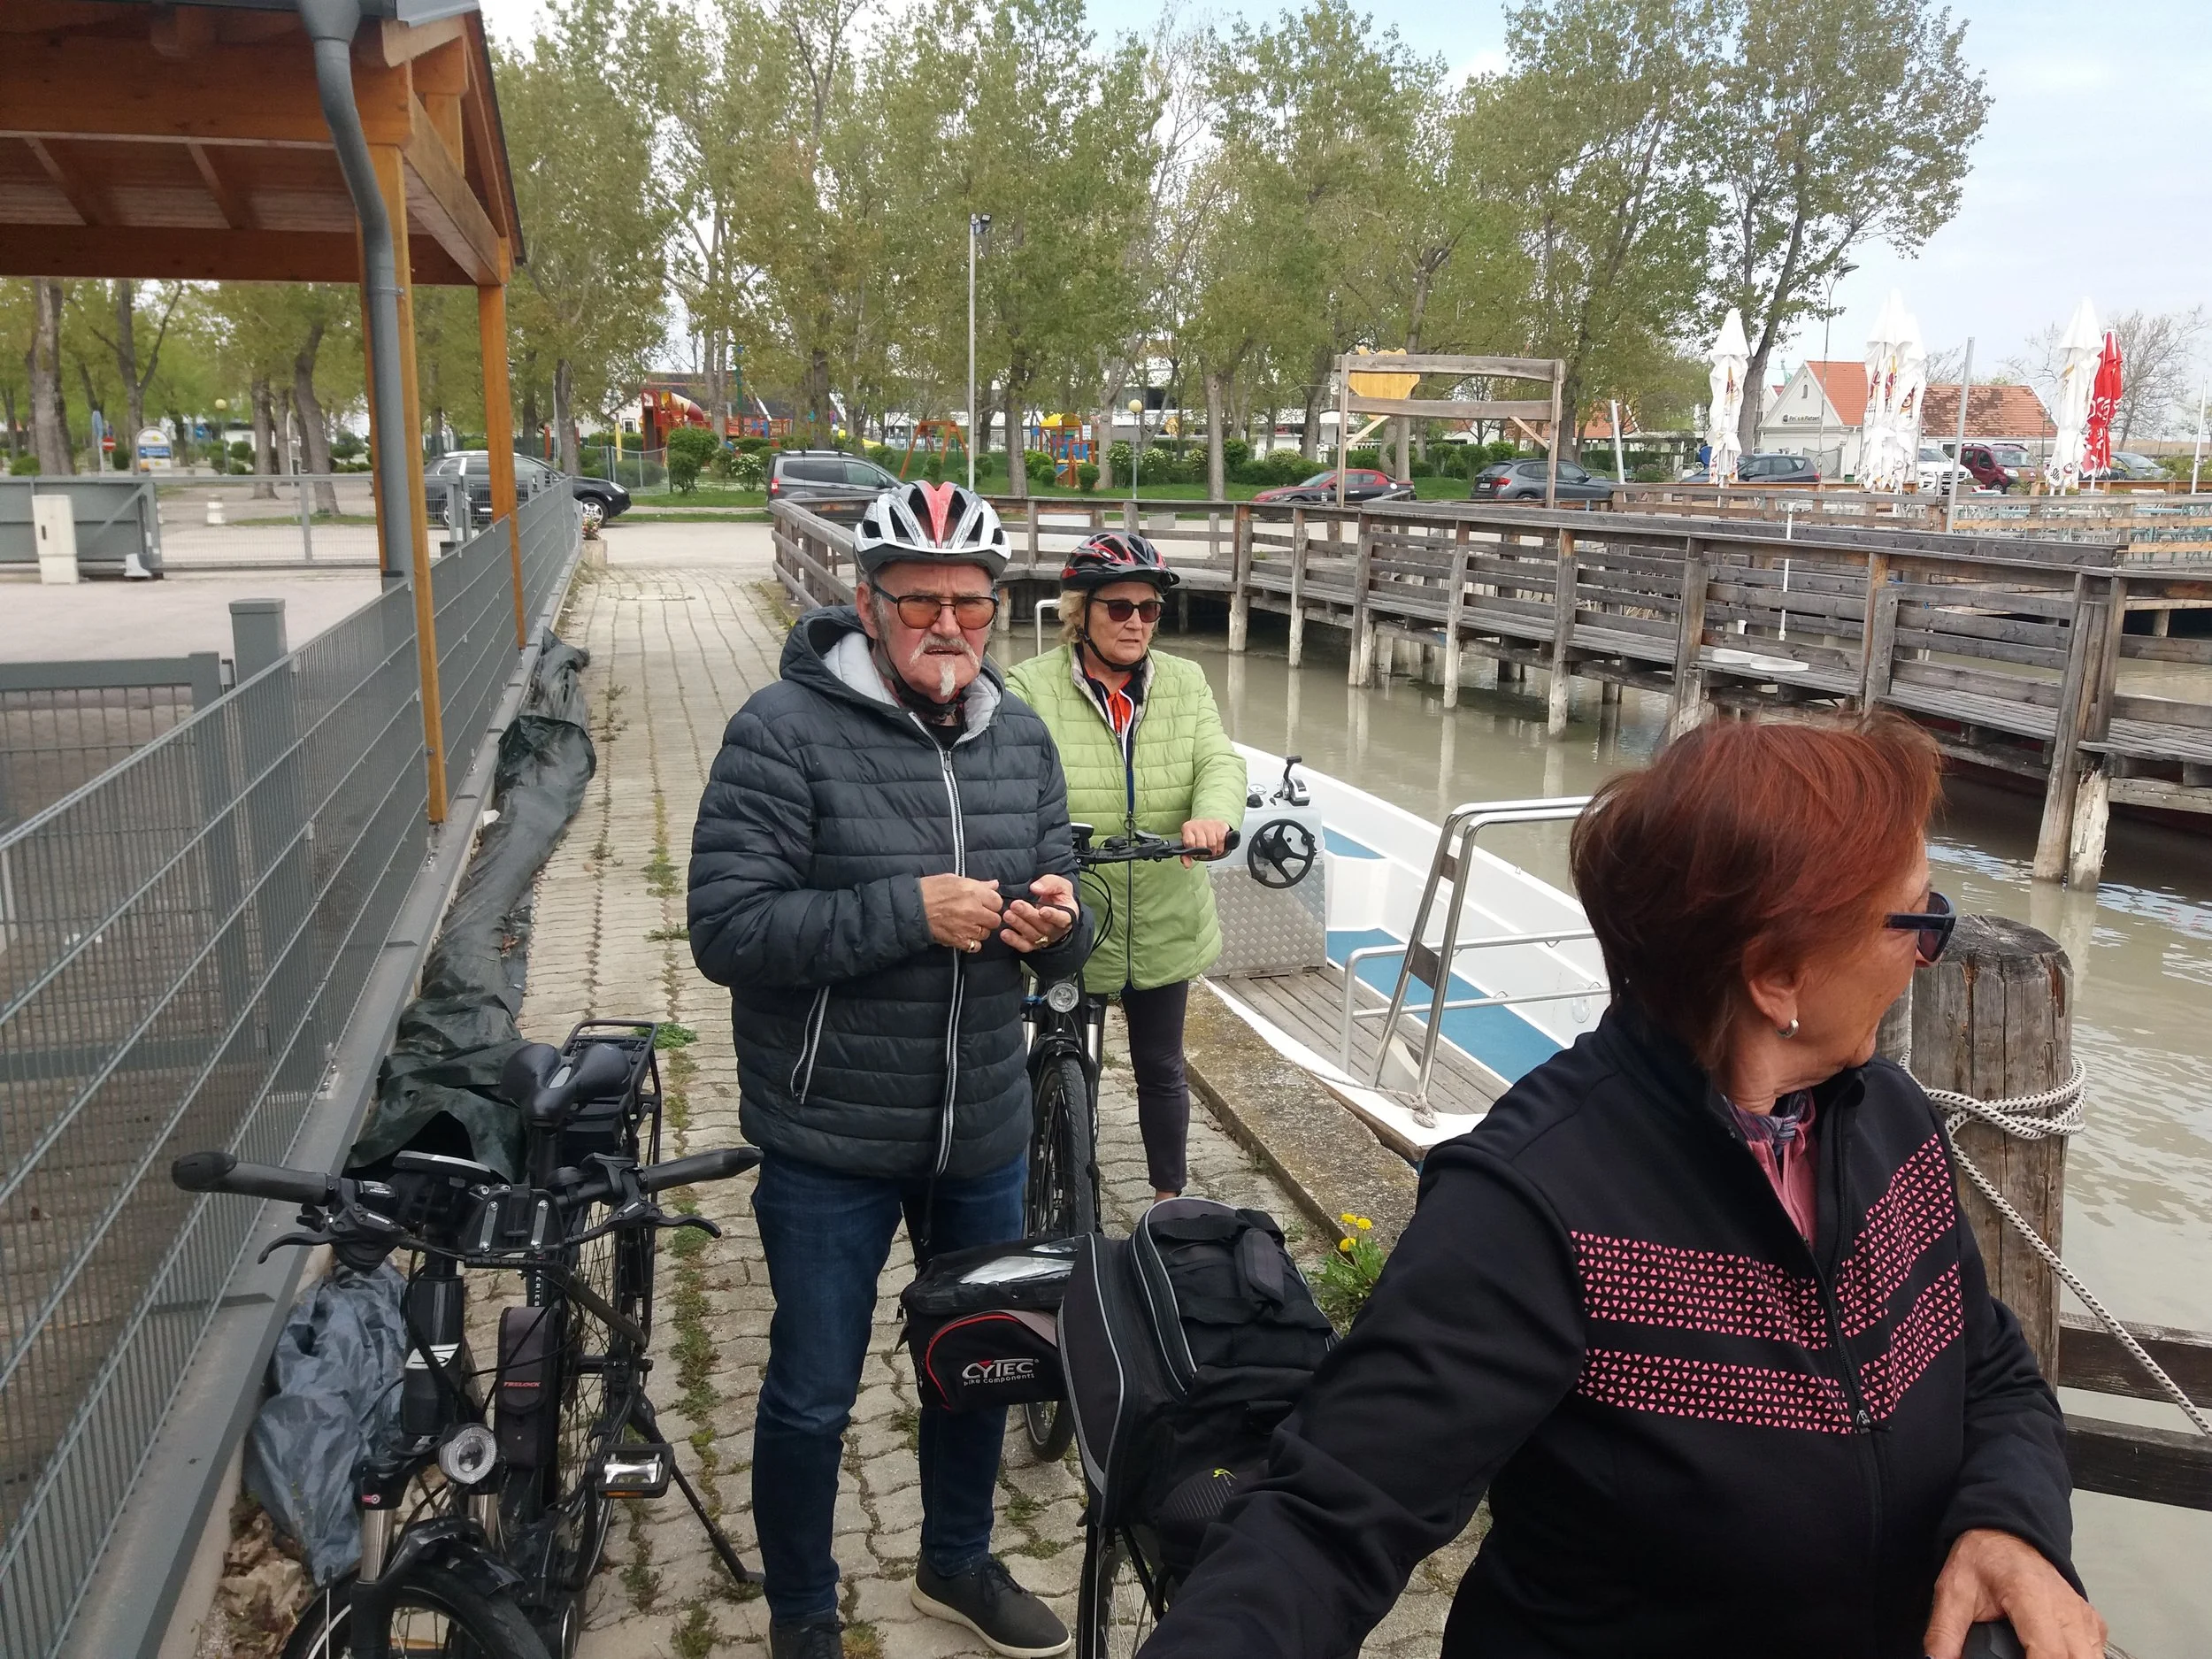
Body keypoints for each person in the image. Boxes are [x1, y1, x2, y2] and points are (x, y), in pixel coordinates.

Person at [1138, 713, 2106, 1659]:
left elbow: (1990, 1370)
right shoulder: (1535, 1204)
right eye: (1918, 920)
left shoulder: (1890, 1122)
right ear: (1777, 976)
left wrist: (2009, 1523)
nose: (1931, 950)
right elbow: (1328, 1520)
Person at [688, 480, 1087, 1659]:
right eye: (920, 601)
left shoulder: (1022, 734)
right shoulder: (780, 729)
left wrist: (1061, 922)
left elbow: (1070, 897)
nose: (948, 624)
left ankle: (955, 1562)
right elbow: (728, 929)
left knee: (981, 1362)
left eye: (971, 601)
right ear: (867, 604)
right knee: (814, 1389)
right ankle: (804, 1612)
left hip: (983, 1128)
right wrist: (907, 912)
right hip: (832, 1135)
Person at [1004, 533, 1245, 1202]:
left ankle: (1169, 1205)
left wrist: (1213, 816)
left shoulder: (1185, 681)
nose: (1136, 622)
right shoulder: (1029, 686)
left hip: (1166, 907)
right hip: (1073, 907)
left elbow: (1217, 759)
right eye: (1119, 607)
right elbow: (1010, 781)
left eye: (1149, 608)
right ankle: (1051, 1186)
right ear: (1080, 613)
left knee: (1161, 1067)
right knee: (1054, 1056)